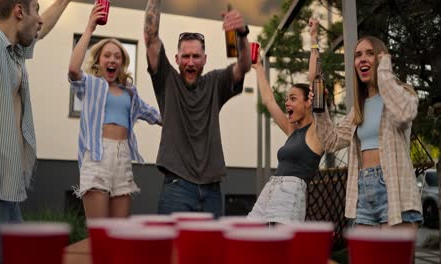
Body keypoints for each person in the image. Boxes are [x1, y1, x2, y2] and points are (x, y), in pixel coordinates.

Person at [0, 0, 72, 263]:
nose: (40, 19)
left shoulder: (16, 51)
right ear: (18, 11)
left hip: (9, 192)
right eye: (36, 10)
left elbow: (43, 28)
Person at [309, 19, 422, 229]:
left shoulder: (402, 94)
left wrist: (385, 73)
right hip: (362, 192)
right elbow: (330, 141)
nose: (362, 58)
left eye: (369, 53)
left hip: (394, 190)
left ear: (381, 58)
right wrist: (320, 108)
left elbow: (404, 113)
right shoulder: (357, 110)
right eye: (357, 55)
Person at [143, 0, 251, 218]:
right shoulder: (167, 80)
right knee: (171, 250)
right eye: (185, 56)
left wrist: (242, 33)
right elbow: (150, 37)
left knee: (209, 251)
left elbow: (243, 66)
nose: (190, 62)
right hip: (177, 187)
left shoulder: (215, 82)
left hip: (212, 189)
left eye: (195, 56)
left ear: (204, 59)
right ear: (176, 59)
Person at [68, 2, 161, 219]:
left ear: (122, 63)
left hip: (123, 158)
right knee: (100, 233)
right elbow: (73, 69)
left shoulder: (130, 92)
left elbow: (154, 115)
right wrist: (90, 27)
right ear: (99, 61)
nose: (112, 60)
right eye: (107, 55)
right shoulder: (91, 85)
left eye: (117, 57)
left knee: (119, 232)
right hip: (97, 156)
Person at [247, 29, 324, 224]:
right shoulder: (292, 130)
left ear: (308, 102)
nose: (287, 103)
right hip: (270, 189)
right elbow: (268, 100)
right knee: (250, 234)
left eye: (293, 99)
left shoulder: (316, 132)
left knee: (279, 247)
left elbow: (315, 79)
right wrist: (258, 68)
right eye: (287, 99)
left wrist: (314, 40)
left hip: (291, 193)